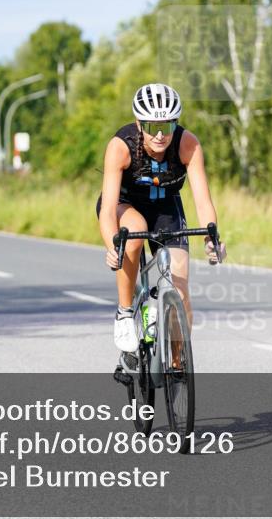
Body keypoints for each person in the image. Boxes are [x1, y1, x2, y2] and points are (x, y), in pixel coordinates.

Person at [97, 83, 226, 358]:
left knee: (180, 289)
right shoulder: (121, 146)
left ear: (175, 124)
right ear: (138, 123)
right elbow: (108, 208)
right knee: (135, 232)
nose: (159, 135)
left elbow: (203, 201)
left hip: (166, 207)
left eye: (166, 127)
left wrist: (211, 240)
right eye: (151, 126)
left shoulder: (187, 144)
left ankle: (177, 365)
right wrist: (112, 246)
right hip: (124, 205)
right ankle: (125, 312)